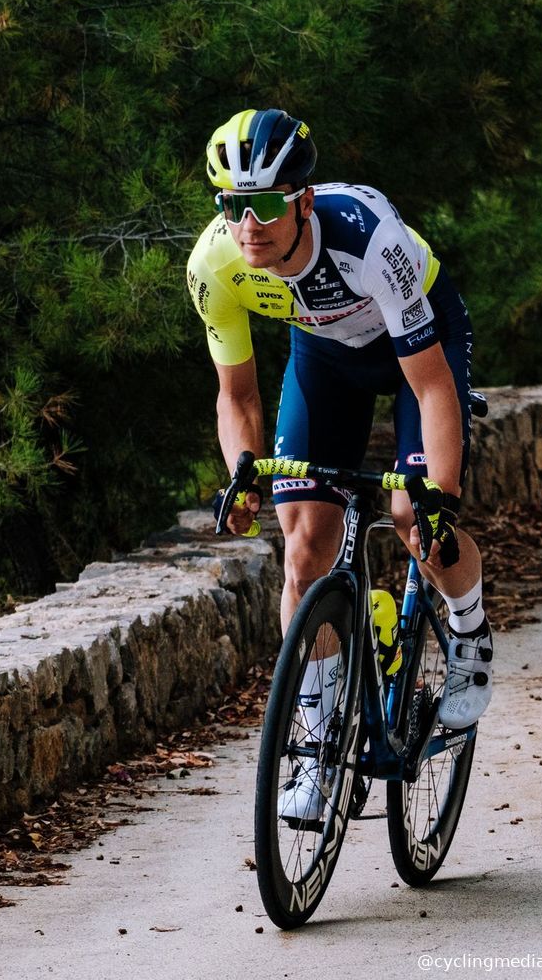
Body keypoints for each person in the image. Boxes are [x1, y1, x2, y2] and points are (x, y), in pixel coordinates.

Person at [186, 108, 493, 823]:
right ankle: (323, 746)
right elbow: (237, 395)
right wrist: (241, 472)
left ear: (303, 200)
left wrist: (440, 494)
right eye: (233, 206)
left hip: (417, 346)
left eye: (264, 205)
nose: (248, 225)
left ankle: (469, 631)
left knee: (416, 516)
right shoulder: (215, 265)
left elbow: (431, 385)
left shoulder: (368, 239)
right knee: (304, 553)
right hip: (323, 358)